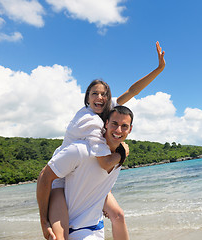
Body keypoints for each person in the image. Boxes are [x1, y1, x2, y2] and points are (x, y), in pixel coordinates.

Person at [45, 41, 165, 240]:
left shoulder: (107, 112)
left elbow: (133, 91)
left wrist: (158, 69)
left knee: (118, 215)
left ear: (108, 98)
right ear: (87, 98)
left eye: (104, 94)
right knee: (61, 236)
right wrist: (122, 153)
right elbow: (103, 162)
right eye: (94, 94)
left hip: (86, 175)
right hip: (61, 177)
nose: (99, 97)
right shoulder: (88, 119)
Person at [37, 106, 134, 240]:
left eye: (124, 126)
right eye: (114, 124)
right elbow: (44, 176)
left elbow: (101, 178)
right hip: (61, 188)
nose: (118, 130)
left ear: (130, 129)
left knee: (119, 215)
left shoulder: (121, 152)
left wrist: (101, 198)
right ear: (106, 123)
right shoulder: (81, 150)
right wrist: (43, 221)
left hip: (93, 220)